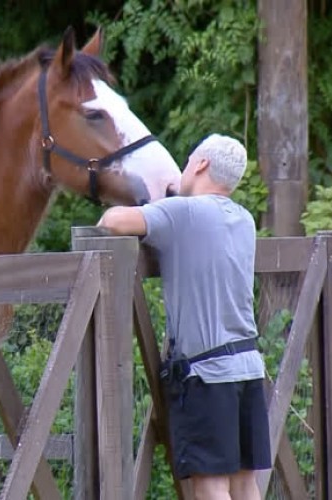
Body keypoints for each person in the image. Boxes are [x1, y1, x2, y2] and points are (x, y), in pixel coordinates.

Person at [97, 133, 271, 500]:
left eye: (189, 159)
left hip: (205, 374)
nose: (184, 167)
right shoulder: (244, 219)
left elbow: (113, 221)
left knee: (210, 486)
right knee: (245, 483)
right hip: (247, 365)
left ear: (202, 164)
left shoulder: (182, 213)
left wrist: (158, 201)